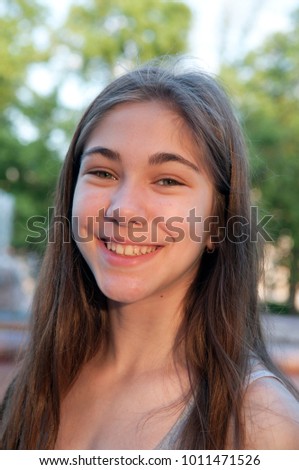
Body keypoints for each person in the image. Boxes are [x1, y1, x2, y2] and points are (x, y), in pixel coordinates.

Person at [1, 59, 299, 450]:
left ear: (217, 223)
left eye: (168, 180)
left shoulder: (259, 423)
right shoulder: (37, 383)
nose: (123, 210)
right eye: (103, 172)